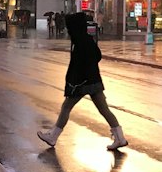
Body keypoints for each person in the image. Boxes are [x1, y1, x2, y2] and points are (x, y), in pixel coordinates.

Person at [38, 12, 128, 152]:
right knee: (104, 109)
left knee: (66, 107)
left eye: (69, 27)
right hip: (94, 81)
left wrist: (75, 82)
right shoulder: (86, 39)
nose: (68, 30)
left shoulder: (79, 42)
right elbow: (97, 56)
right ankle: (119, 137)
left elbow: (79, 65)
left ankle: (53, 136)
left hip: (81, 83)